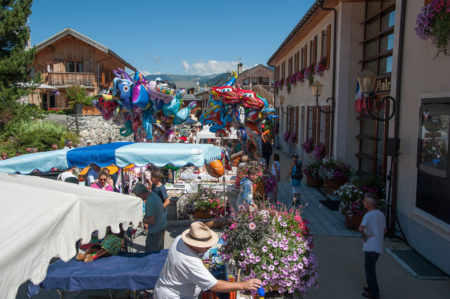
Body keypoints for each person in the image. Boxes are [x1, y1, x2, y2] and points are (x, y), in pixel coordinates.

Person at [154, 222, 262, 299]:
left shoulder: (179, 239)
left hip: (167, 289)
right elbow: (214, 285)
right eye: (206, 245)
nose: (209, 247)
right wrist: (243, 285)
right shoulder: (189, 260)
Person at [359, 193, 386, 299]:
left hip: (370, 246)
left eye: (365, 201)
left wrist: (365, 236)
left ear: (370, 204)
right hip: (378, 246)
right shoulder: (381, 214)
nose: (363, 202)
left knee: (370, 271)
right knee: (371, 268)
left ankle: (374, 293)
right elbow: (384, 230)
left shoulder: (368, 215)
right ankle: (371, 287)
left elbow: (361, 228)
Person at [132, 183, 167, 253]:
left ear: (142, 193)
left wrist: (141, 220)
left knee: (151, 254)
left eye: (138, 196)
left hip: (155, 232)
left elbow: (151, 221)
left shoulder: (150, 202)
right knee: (159, 253)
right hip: (161, 227)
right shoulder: (154, 195)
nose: (139, 198)